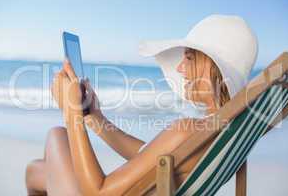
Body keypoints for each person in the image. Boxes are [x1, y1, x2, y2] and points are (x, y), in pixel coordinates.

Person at [25, 14, 258, 196]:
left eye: (188, 58)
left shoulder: (188, 130)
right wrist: (97, 120)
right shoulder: (228, 130)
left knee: (55, 139)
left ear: (214, 67)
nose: (179, 68)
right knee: (37, 171)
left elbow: (98, 191)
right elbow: (153, 157)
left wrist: (72, 113)